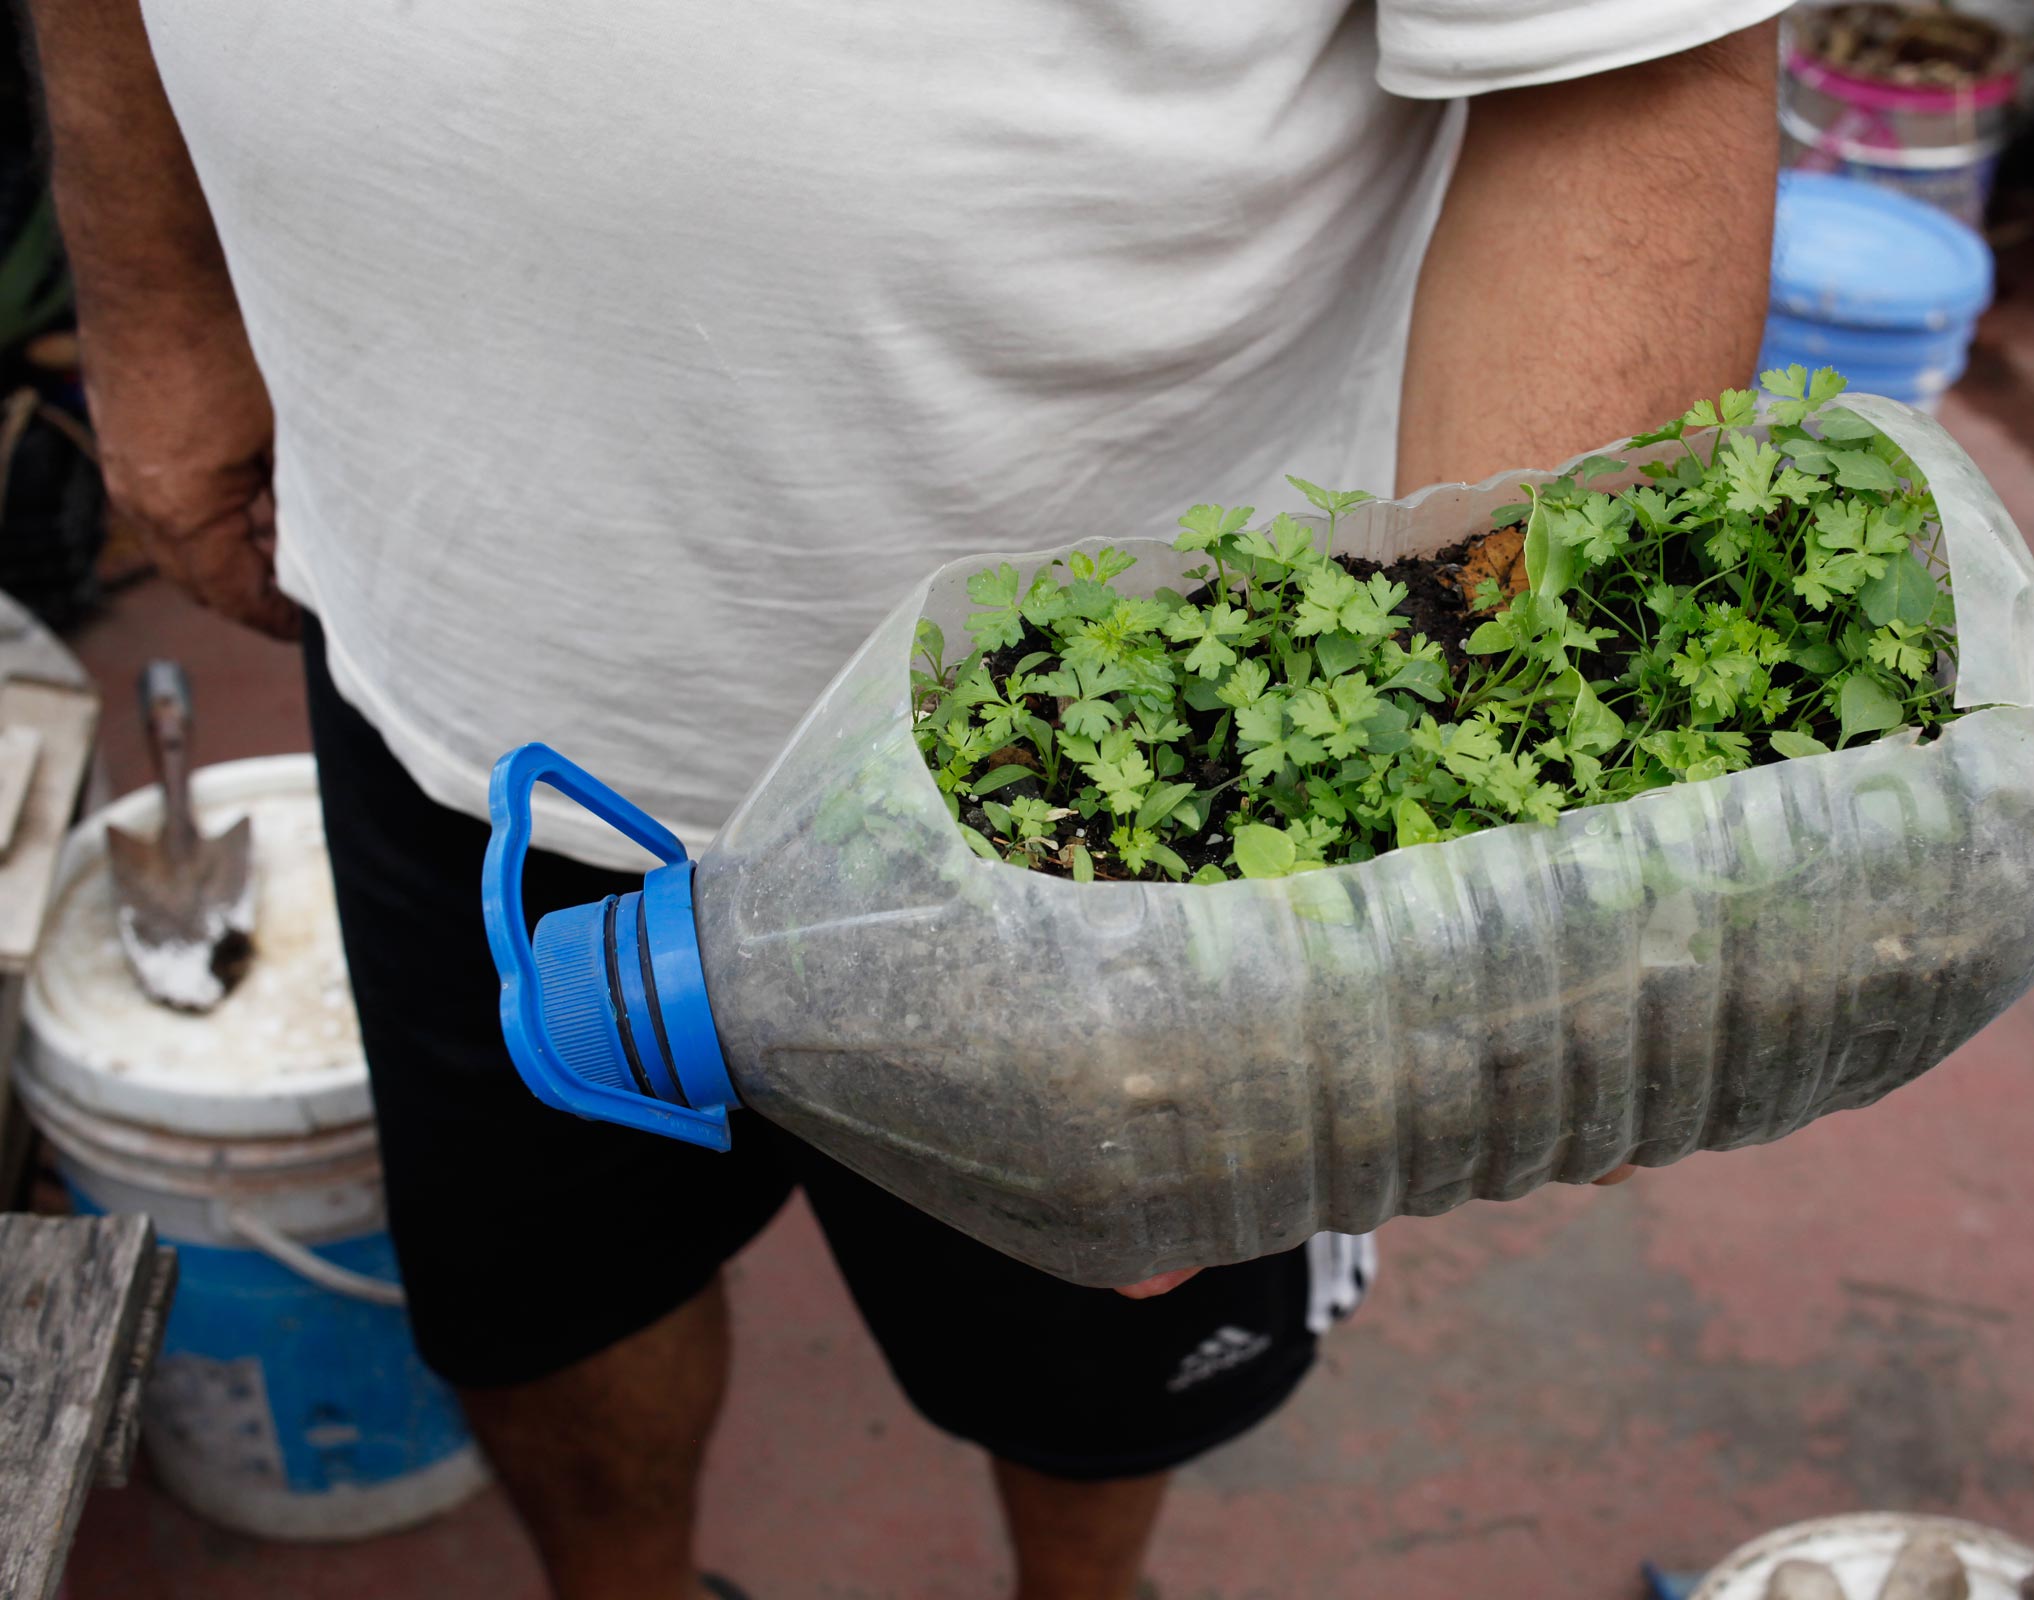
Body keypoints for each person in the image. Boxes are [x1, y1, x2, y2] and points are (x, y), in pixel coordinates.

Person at [28, 2, 1784, 1595]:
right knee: (544, 1304)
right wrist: (160, 302)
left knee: (1099, 1367)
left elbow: (1618, 52)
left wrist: (1467, 856)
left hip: (1129, 810)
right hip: (466, 684)